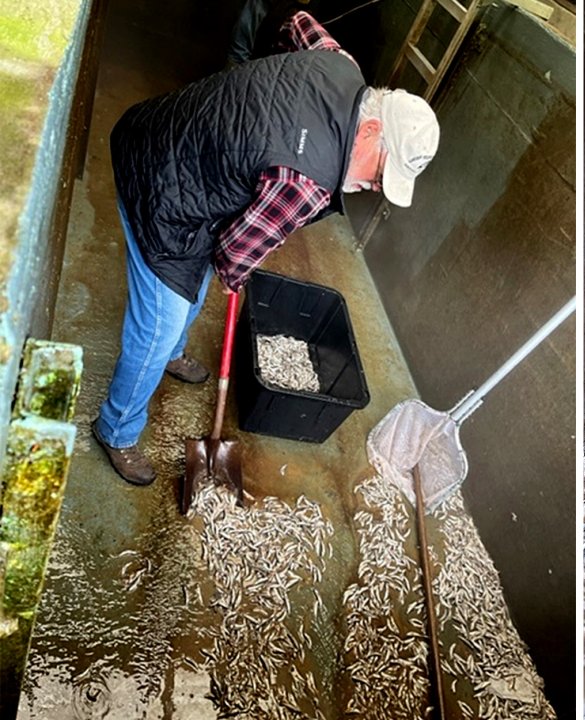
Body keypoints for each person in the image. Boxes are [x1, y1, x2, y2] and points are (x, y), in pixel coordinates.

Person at [92, 11, 439, 485]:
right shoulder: (306, 181)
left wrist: (264, 100)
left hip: (169, 135)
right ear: (371, 131)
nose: (374, 187)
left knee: (191, 291)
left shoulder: (342, 66)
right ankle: (117, 429)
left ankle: (174, 354)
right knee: (159, 322)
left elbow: (298, 21)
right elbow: (233, 256)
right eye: (380, 174)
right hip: (161, 192)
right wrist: (238, 271)